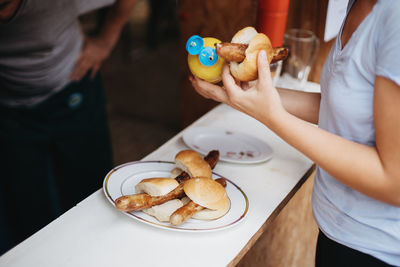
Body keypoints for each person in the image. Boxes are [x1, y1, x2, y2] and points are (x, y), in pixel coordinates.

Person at [190, 0, 400, 266]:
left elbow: (394, 182)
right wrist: (246, 96)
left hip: (379, 251)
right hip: (337, 233)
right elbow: (346, 109)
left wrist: (273, 117)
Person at [0, 0, 136, 254]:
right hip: (10, 108)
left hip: (73, 93)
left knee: (91, 198)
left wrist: (106, 40)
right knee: (27, 208)